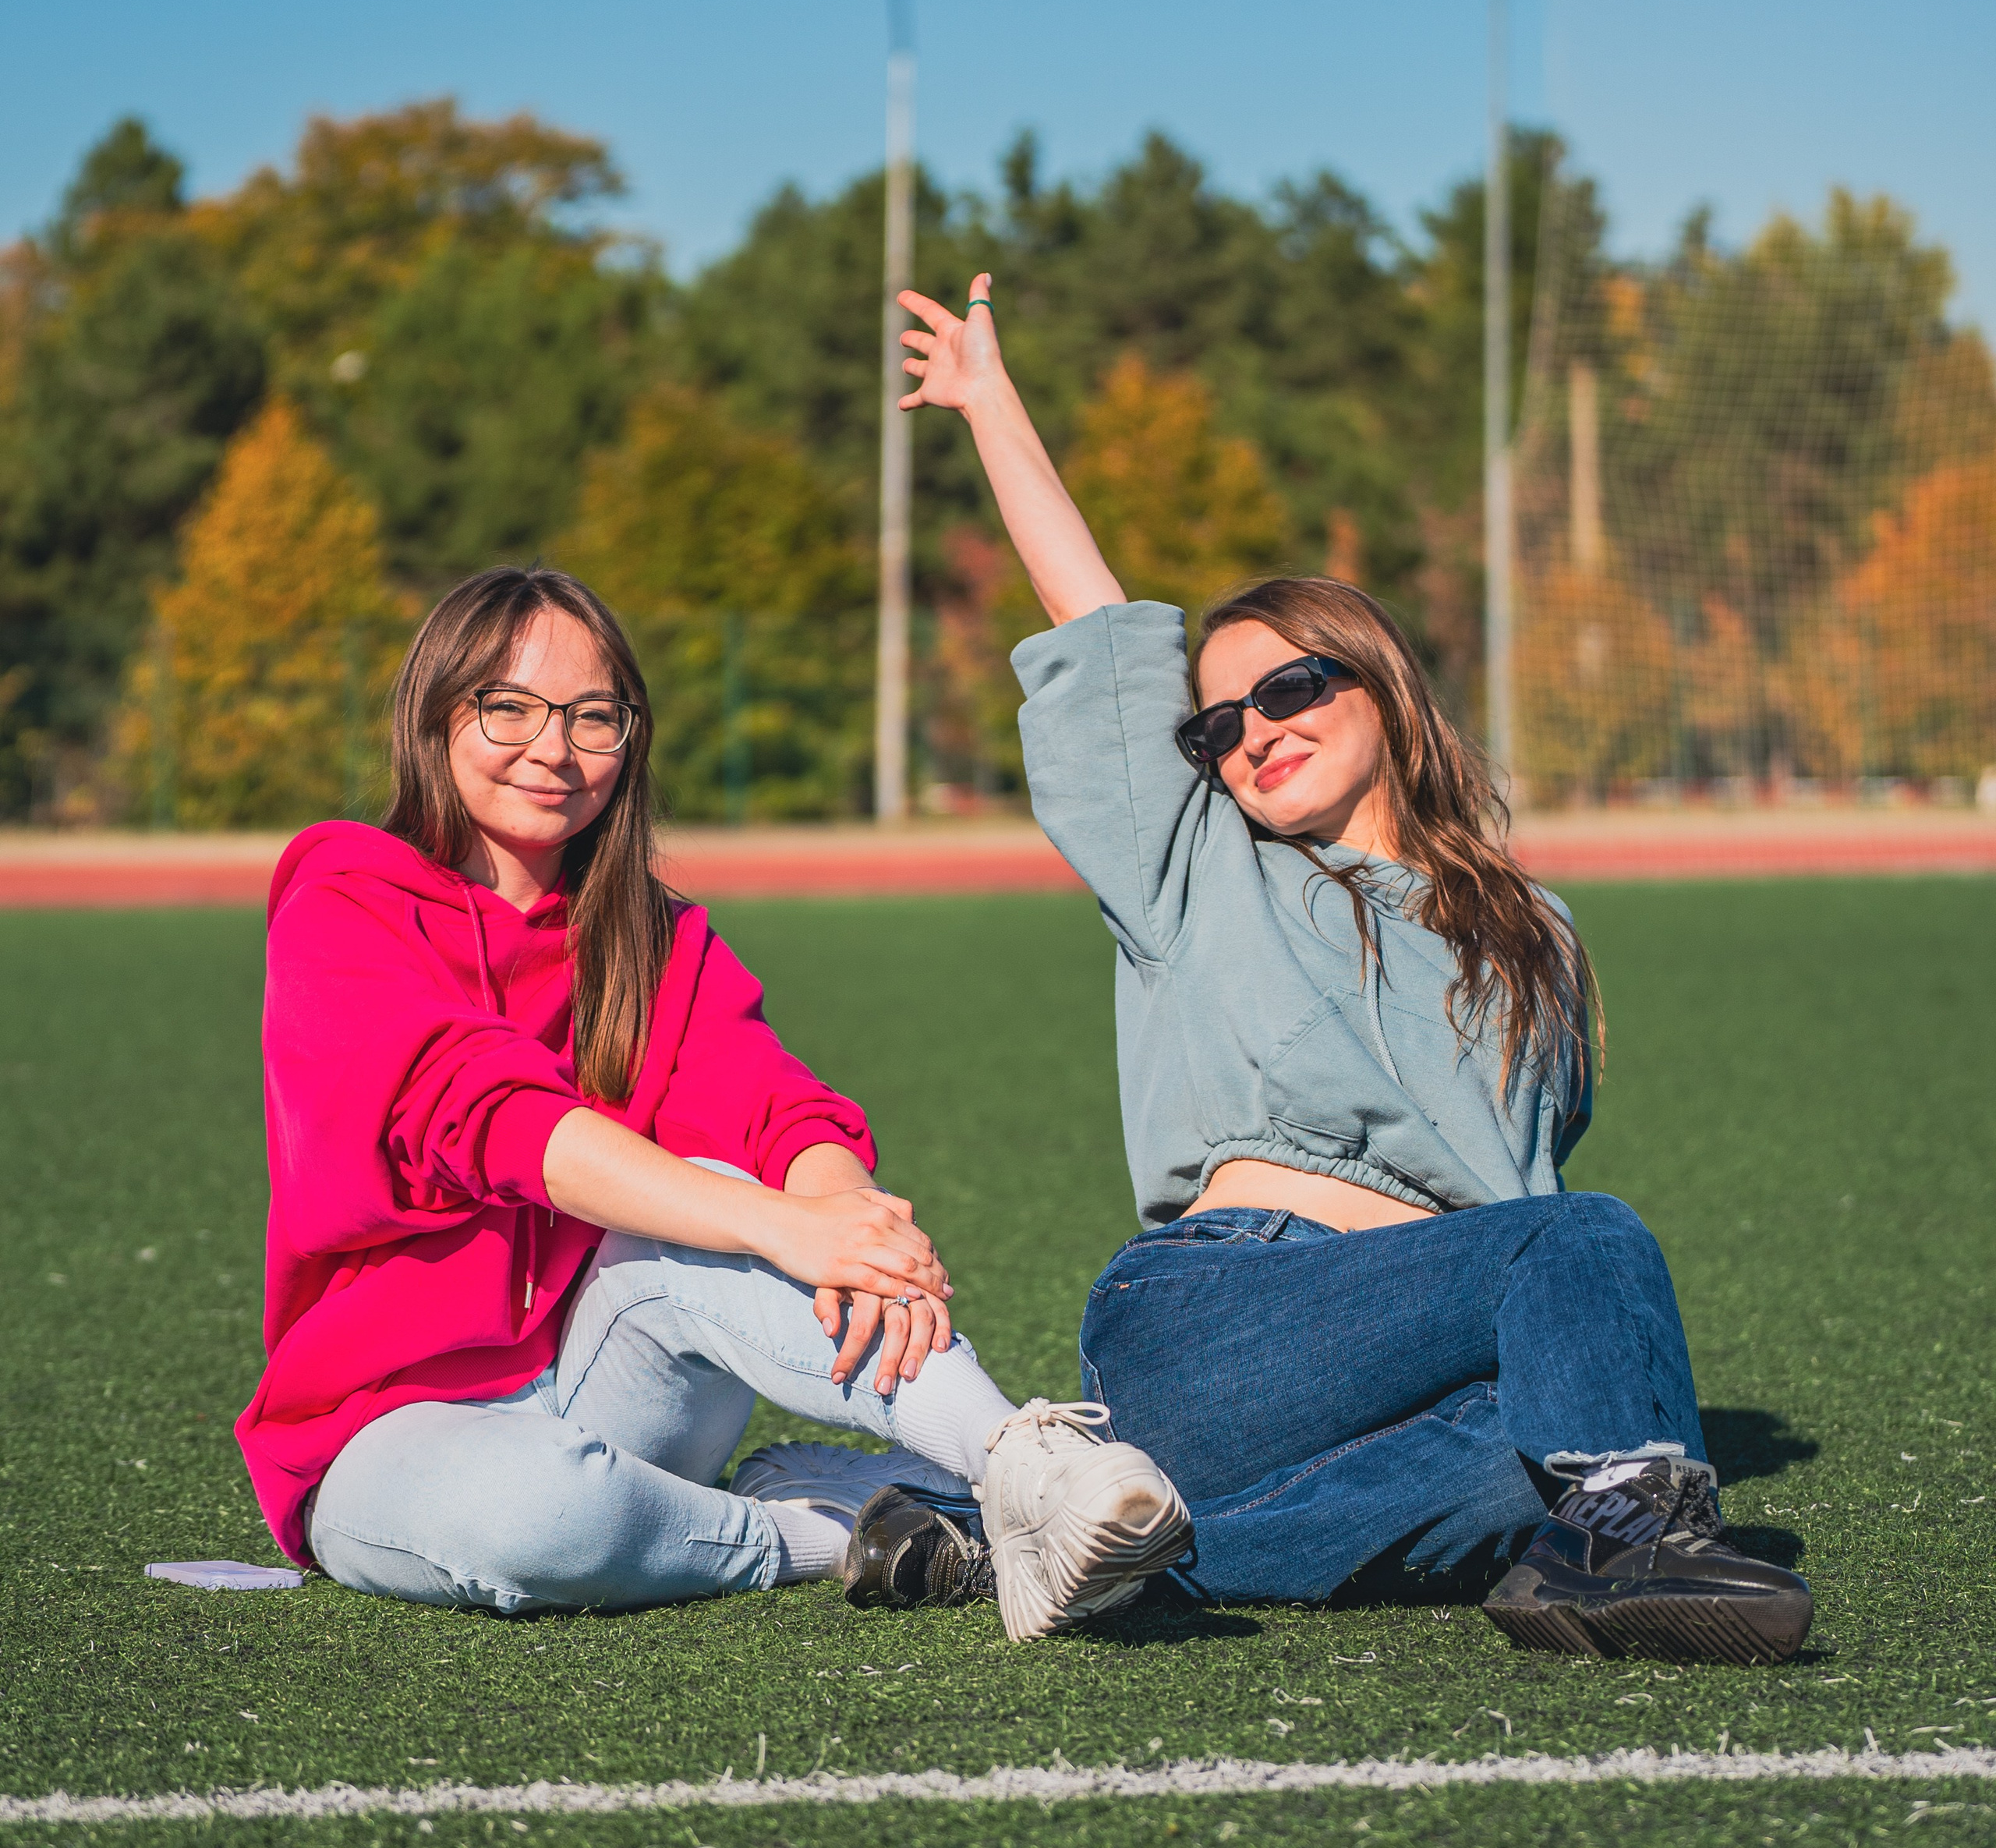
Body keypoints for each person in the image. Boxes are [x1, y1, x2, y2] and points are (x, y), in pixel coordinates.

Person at [894, 276, 1811, 1665]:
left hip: (1418, 1353)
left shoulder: (1533, 933)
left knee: (1519, 1477)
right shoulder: (1197, 867)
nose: (1254, 731)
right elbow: (1097, 631)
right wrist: (991, 404)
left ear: (1383, 686)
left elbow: (1506, 1172)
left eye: (1291, 689)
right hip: (1217, 1317)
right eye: (1219, 726)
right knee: (1589, 1242)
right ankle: (1635, 1540)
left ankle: (1060, 1543)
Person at [235, 566, 1190, 1641]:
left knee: (755, 1194)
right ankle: (842, 1527)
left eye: (594, 716)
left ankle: (1027, 1468)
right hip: (387, 1430)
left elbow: (778, 1106)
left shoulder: (650, 933)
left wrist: (846, 1219)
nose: (553, 748)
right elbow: (485, 1113)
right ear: (434, 717)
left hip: (613, 1384)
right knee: (540, 1516)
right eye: (507, 707)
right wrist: (786, 1223)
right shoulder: (347, 892)